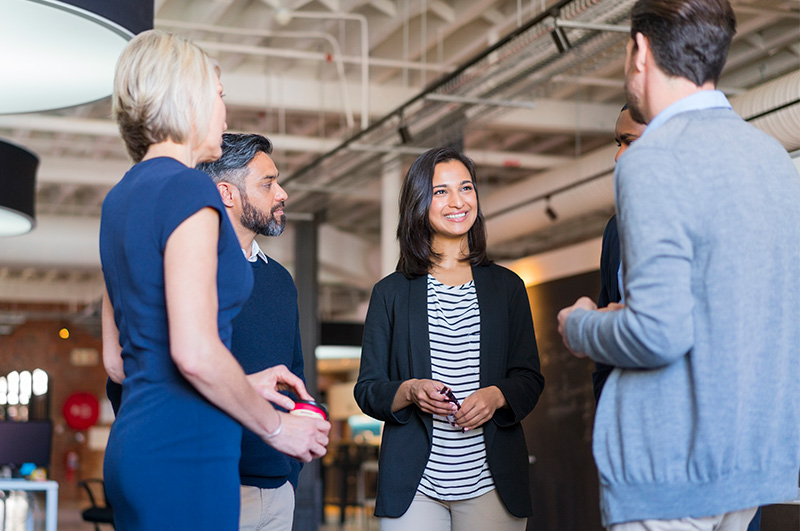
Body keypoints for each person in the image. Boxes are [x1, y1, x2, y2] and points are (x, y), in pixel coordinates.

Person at [556, 0, 800, 529]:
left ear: (640, 51)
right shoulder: (774, 161)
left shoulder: (653, 159)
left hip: (671, 466)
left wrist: (581, 325)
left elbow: (657, 333)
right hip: (750, 465)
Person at [100, 30, 328, 530]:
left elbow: (119, 363)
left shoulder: (119, 198)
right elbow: (196, 352)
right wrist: (276, 427)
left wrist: (244, 382)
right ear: (187, 99)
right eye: (219, 95)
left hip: (135, 450)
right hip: (189, 451)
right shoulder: (188, 191)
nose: (224, 114)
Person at [354, 147, 545, 530]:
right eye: (441, 192)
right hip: (414, 485)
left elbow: (529, 377)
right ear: (420, 203)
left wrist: (497, 395)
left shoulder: (507, 287)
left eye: (466, 188)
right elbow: (368, 389)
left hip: (492, 481)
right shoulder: (391, 293)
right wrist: (409, 391)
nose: (458, 202)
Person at [196, 133, 317, 531]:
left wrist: (289, 473)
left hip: (277, 489)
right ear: (227, 194)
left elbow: (293, 376)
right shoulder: (192, 272)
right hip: (212, 485)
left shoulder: (280, 281)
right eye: (267, 184)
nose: (281, 193)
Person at [592, 104, 646, 402]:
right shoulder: (616, 228)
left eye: (630, 142)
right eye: (618, 144)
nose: (619, 155)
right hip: (625, 411)